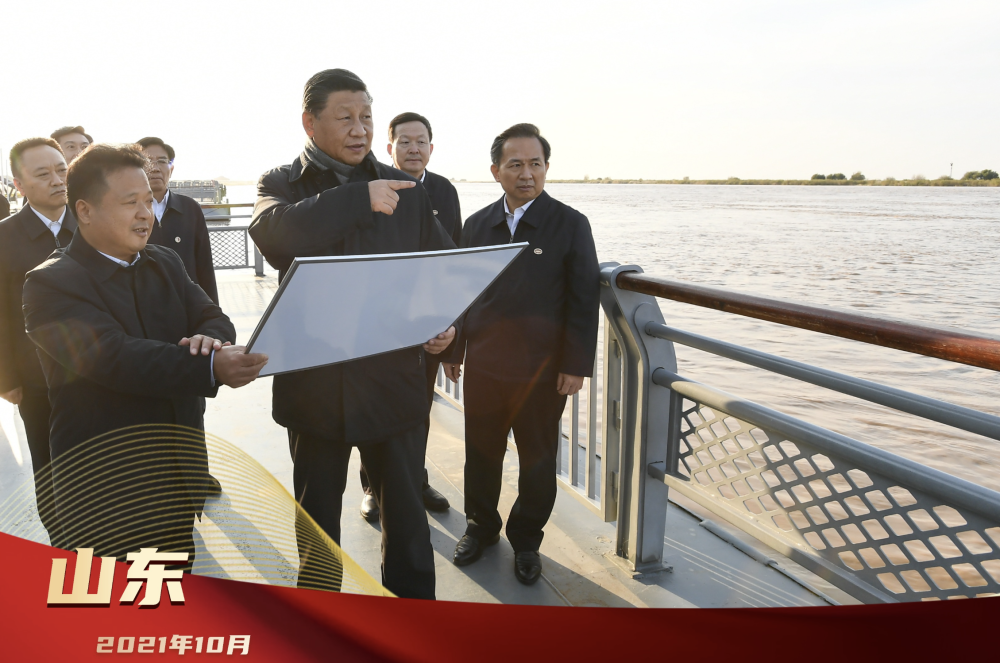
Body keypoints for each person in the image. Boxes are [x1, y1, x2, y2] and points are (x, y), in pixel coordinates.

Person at [249, 69, 456, 600]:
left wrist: (446, 325)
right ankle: (323, 617)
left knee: (407, 525)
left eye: (366, 116)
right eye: (345, 117)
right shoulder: (280, 183)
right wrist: (360, 198)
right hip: (315, 382)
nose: (360, 128)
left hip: (391, 379)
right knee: (317, 523)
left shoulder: (405, 186)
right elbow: (273, 236)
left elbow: (440, 269)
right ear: (310, 122)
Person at [22, 144, 268, 561]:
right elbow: (114, 358)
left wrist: (208, 339)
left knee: (172, 583)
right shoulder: (50, 284)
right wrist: (210, 365)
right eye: (129, 202)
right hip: (107, 491)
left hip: (177, 475)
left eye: (148, 201)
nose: (146, 214)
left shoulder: (164, 261)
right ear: (85, 211)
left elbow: (212, 317)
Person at [443, 123, 600, 585]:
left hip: (542, 371)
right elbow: (462, 294)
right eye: (515, 164)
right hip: (486, 365)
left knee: (538, 458)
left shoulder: (570, 224)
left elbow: (583, 298)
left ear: (547, 168)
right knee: (481, 453)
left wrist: (575, 364)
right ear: (496, 171)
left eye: (535, 164)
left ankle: (527, 539)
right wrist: (454, 349)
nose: (526, 173)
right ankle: (481, 527)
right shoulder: (477, 225)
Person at [357, 112, 460, 521]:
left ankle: (415, 480)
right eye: (404, 141)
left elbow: (452, 261)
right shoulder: (375, 187)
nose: (413, 148)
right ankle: (372, 486)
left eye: (421, 141)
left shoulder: (444, 190)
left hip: (428, 323)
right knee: (372, 408)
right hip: (381, 323)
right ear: (390, 148)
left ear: (431, 148)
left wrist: (450, 333)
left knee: (419, 408)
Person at [0, 137, 76, 543]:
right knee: (50, 466)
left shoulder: (91, 225)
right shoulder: (5, 237)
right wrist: (7, 378)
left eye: (62, 170)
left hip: (100, 369)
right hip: (37, 379)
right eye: (43, 174)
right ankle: (63, 545)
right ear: (19, 184)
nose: (57, 180)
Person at [136, 137, 219, 304]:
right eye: (148, 161)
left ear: (171, 169)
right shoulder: (129, 210)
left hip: (187, 301)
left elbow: (204, 265)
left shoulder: (190, 208)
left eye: (162, 161)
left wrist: (212, 309)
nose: (155, 168)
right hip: (143, 302)